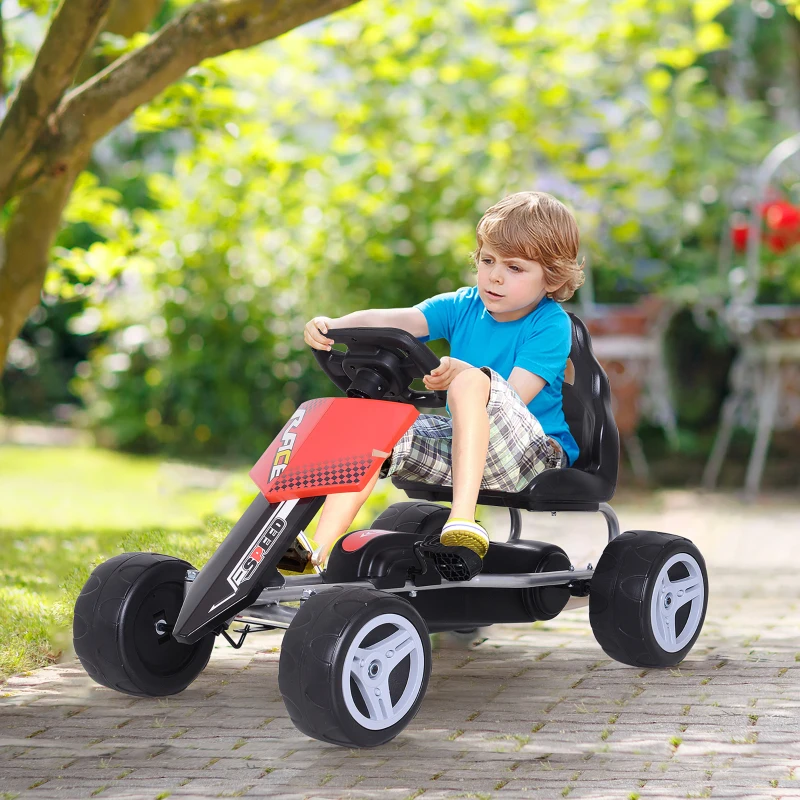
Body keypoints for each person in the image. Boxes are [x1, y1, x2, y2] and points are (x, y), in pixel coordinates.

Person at [303, 191, 584, 567]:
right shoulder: (462, 305)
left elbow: (514, 397)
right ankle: (316, 554)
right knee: (370, 425)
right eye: (488, 260)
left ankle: (462, 521)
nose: (495, 275)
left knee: (471, 382)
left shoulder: (550, 324)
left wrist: (465, 377)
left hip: (532, 455)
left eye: (515, 268)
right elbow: (396, 319)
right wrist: (334, 325)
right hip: (464, 448)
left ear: (551, 278)